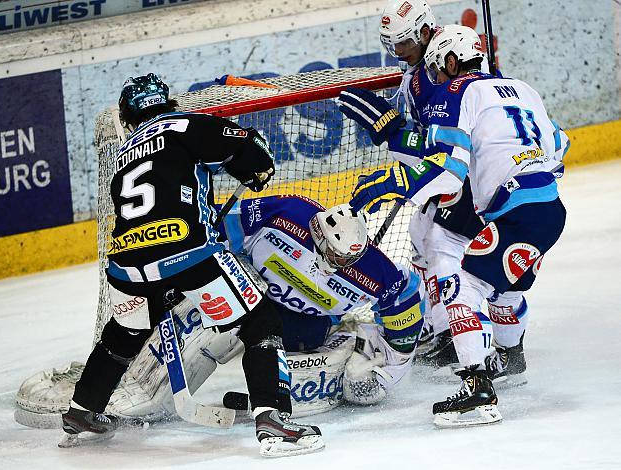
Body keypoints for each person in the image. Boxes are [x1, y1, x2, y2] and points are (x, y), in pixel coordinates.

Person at [61, 73, 323, 455]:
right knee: (259, 322)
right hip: (188, 253)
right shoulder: (182, 123)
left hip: (127, 268)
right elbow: (248, 144)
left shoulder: (124, 152)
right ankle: (273, 420)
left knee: (123, 335)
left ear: (128, 115)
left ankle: (82, 410)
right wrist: (256, 168)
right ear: (164, 103)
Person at [347, 25, 568, 427]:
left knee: (461, 285)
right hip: (549, 209)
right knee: (499, 283)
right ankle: (511, 356)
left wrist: (395, 182)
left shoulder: (457, 91)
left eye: (438, 67)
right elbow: (561, 144)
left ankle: (478, 390)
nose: (436, 77)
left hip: (514, 211)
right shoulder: (522, 87)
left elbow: (449, 171)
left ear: (450, 61)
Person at [338, 0, 532, 382]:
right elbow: (430, 138)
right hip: (457, 177)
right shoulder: (421, 73)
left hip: (470, 181)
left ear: (426, 32)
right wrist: (400, 134)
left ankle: (474, 339)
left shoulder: (447, 75)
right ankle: (457, 333)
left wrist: (394, 132)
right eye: (392, 45)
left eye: (405, 44)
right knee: (424, 241)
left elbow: (444, 146)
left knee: (452, 258)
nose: (399, 53)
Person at [217, 195, 424, 411]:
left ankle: (353, 333)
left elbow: (406, 292)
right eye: (339, 256)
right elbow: (222, 220)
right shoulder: (288, 212)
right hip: (253, 297)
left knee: (294, 350)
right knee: (216, 324)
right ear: (321, 240)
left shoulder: (372, 268)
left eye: (352, 258)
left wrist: (397, 359)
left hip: (307, 323)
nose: (347, 264)